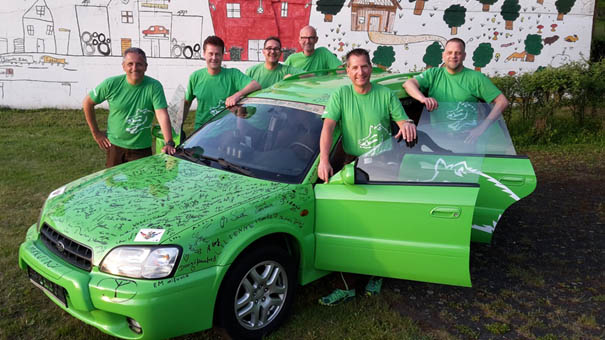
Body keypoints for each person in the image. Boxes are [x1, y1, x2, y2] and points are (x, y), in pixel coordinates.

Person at [316, 48, 417, 305]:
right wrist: (325, 160)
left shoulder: (385, 94)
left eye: (364, 66)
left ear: (371, 67)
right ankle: (347, 285)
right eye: (354, 68)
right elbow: (328, 127)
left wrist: (406, 124)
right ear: (347, 71)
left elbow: (402, 120)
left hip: (382, 165)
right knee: (347, 225)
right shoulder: (341, 94)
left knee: (379, 224)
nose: (360, 72)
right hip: (350, 164)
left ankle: (378, 274)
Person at [402, 38, 509, 144]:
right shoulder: (433, 74)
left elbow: (502, 102)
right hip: (437, 138)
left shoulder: (476, 78)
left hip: (466, 140)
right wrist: (423, 98)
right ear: (443, 55)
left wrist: (482, 128)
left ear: (464, 56)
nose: (453, 56)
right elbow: (408, 84)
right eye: (449, 52)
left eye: (458, 53)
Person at [83, 47, 175, 168]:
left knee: (140, 185)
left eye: (139, 64)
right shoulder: (111, 84)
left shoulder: (154, 87)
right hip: (115, 146)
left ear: (146, 66)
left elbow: (161, 114)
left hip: (141, 149)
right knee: (113, 185)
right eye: (130, 64)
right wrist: (96, 134)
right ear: (123, 66)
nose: (134, 68)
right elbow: (87, 103)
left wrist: (169, 142)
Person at [184, 36, 261, 131]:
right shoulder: (195, 77)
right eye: (210, 54)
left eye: (217, 54)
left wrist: (237, 95)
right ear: (204, 54)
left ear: (222, 55)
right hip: (201, 131)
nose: (214, 58)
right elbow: (186, 104)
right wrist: (179, 126)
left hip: (226, 131)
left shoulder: (233, 74)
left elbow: (256, 85)